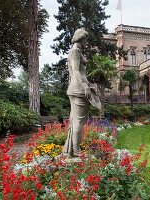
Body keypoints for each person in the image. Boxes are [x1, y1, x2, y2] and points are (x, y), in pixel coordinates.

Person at [63, 28, 91, 157]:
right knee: (78, 121)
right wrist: (85, 85)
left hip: (77, 88)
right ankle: (76, 150)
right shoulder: (75, 51)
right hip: (78, 89)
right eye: (85, 39)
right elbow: (76, 71)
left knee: (78, 120)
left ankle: (73, 149)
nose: (86, 41)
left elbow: (81, 65)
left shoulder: (77, 50)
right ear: (81, 38)